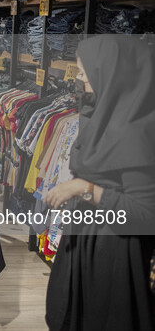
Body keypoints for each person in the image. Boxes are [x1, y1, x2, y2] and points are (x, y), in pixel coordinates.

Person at [43, 35, 155, 330]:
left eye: (83, 73)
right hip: (86, 242)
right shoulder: (101, 116)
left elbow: (147, 215)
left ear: (110, 74)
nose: (79, 81)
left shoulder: (136, 134)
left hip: (115, 256)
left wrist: (84, 189)